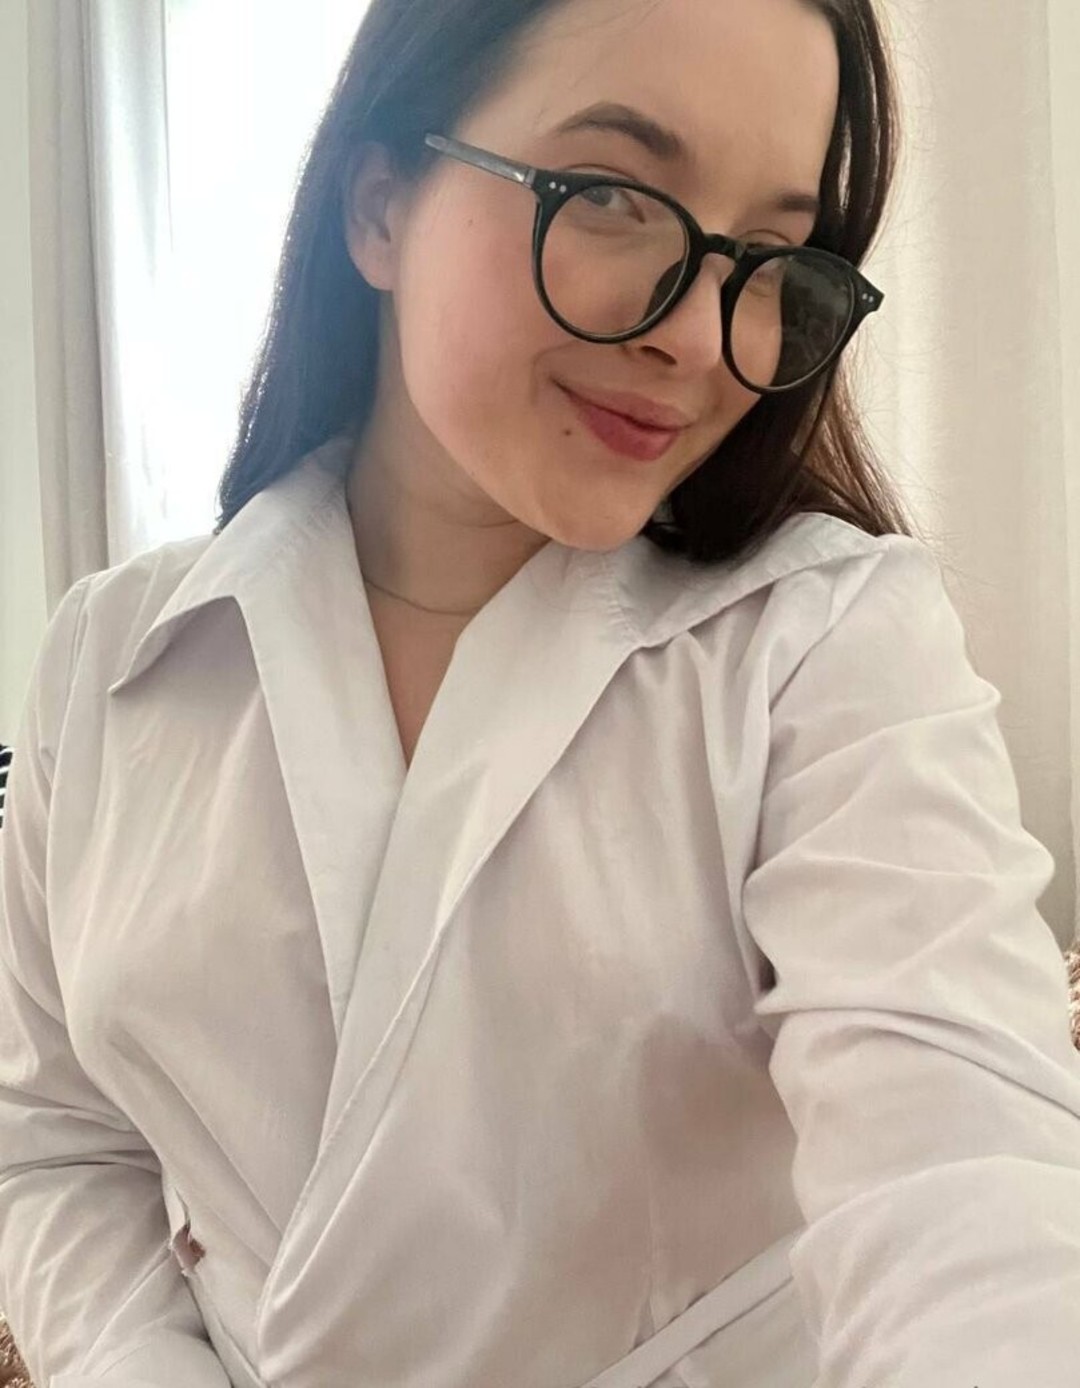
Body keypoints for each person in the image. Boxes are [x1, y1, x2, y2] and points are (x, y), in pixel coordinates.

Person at [2, 0, 1079, 1385]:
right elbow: (59, 1142)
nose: (703, 341)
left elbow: (965, 1169)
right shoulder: (110, 660)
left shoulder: (825, 648)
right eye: (614, 195)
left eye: (770, 257)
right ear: (378, 205)